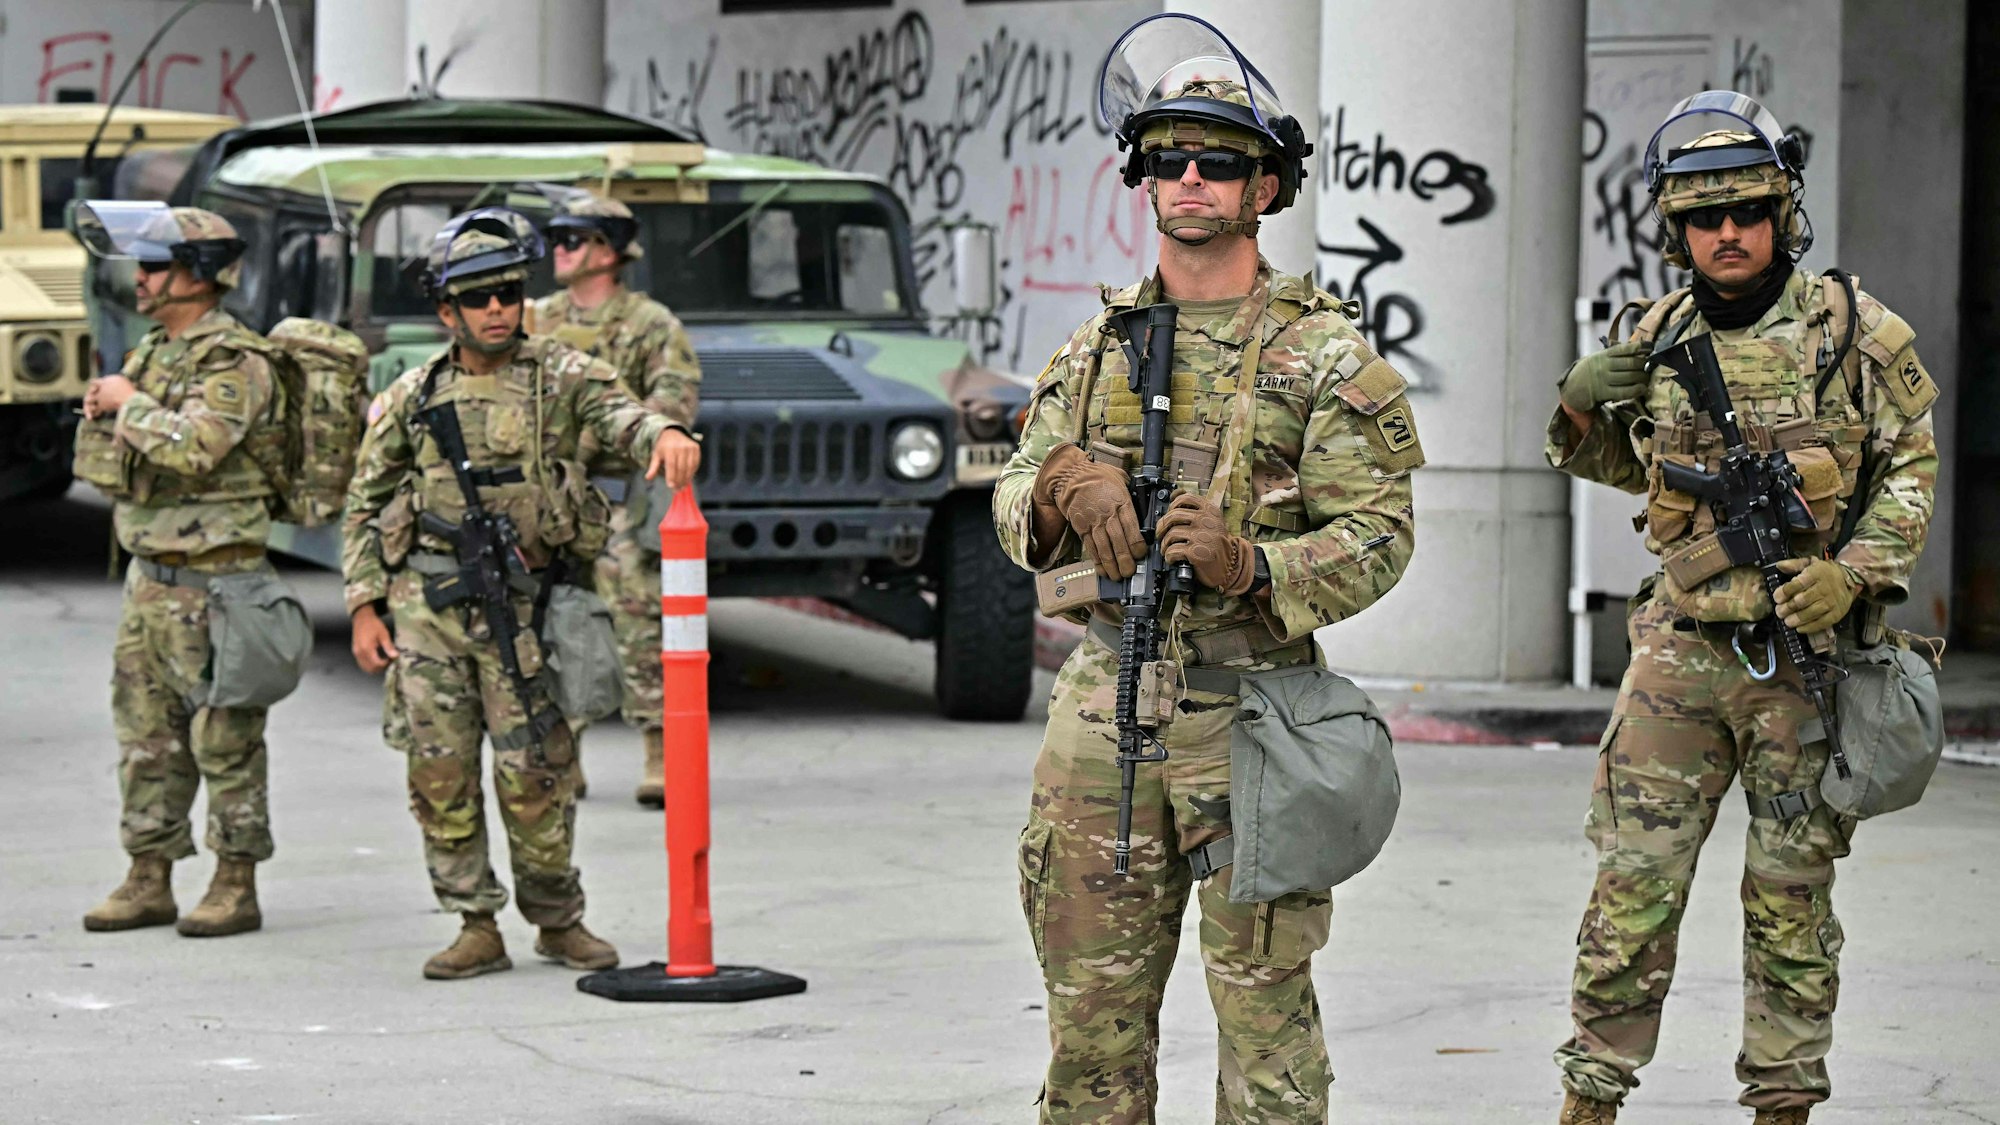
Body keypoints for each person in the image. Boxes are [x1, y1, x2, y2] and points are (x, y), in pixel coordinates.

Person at [993, 15, 1422, 1122]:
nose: (1190, 179)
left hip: (1255, 716)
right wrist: (1055, 492)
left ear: (1264, 185)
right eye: (1168, 158)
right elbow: (1010, 490)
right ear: (1140, 177)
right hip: (1104, 709)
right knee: (1088, 1031)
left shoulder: (1322, 356)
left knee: (1267, 1043)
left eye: (1219, 161)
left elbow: (1380, 533)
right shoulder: (1098, 347)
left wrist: (1253, 565)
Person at [1547, 92, 1939, 1125]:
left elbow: (1909, 465)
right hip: (1677, 655)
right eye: (1701, 218)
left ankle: (1781, 1104)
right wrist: (1580, 401)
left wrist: (1852, 573)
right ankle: (1588, 1098)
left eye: (1746, 212)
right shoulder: (1659, 331)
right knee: (1628, 892)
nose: (1726, 233)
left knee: (1789, 900)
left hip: (1799, 657)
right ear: (1671, 230)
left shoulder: (1850, 331)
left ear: (1780, 215)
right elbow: (1622, 468)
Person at [342, 208, 687, 980]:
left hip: (524, 608)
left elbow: (620, 412)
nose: (497, 308)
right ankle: (474, 921)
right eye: (478, 297)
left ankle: (558, 919)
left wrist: (661, 433)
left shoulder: (559, 375)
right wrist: (365, 605)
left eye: (507, 292)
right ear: (447, 312)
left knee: (537, 769)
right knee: (440, 772)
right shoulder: (415, 393)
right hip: (428, 609)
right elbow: (364, 500)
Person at [72, 204, 287, 939]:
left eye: (156, 264)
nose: (142, 278)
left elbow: (200, 445)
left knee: (225, 741)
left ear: (198, 275)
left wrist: (126, 404)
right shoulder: (155, 351)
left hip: (218, 584)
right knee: (146, 740)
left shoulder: (236, 361)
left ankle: (235, 881)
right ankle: (148, 874)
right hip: (151, 577)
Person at [530, 187, 701, 805]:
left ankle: (657, 747)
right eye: (557, 238)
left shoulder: (650, 324)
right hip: (552, 497)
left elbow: (674, 397)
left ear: (607, 251)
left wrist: (622, 426)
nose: (559, 250)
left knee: (637, 621)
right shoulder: (536, 318)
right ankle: (563, 750)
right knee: (552, 619)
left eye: (571, 239)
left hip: (620, 496)